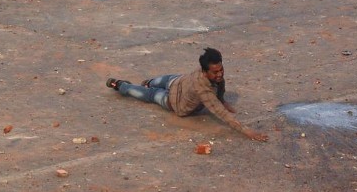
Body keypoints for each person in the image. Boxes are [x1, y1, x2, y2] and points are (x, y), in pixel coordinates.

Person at [106, 47, 269, 142]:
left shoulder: (212, 73)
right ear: (205, 71)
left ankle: (145, 82)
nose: (219, 74)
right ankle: (121, 86)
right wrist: (248, 132)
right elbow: (221, 113)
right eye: (215, 71)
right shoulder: (203, 88)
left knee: (159, 82)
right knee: (149, 94)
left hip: (178, 86)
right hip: (174, 100)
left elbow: (221, 84)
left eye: (221, 69)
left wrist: (223, 99)